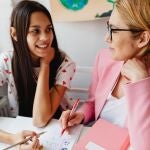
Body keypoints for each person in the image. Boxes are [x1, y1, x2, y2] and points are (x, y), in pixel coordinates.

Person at [60, 0, 150, 149]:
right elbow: (93, 102)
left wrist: (141, 83)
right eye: (108, 27)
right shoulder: (104, 58)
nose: (106, 38)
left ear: (142, 38)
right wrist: (81, 114)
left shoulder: (144, 82)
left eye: (114, 30)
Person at [0, 0, 75, 128]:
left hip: (58, 125)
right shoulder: (7, 61)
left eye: (48, 29)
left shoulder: (65, 64)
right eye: (35, 31)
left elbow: (40, 120)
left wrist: (45, 64)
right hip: (21, 127)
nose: (45, 38)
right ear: (15, 34)